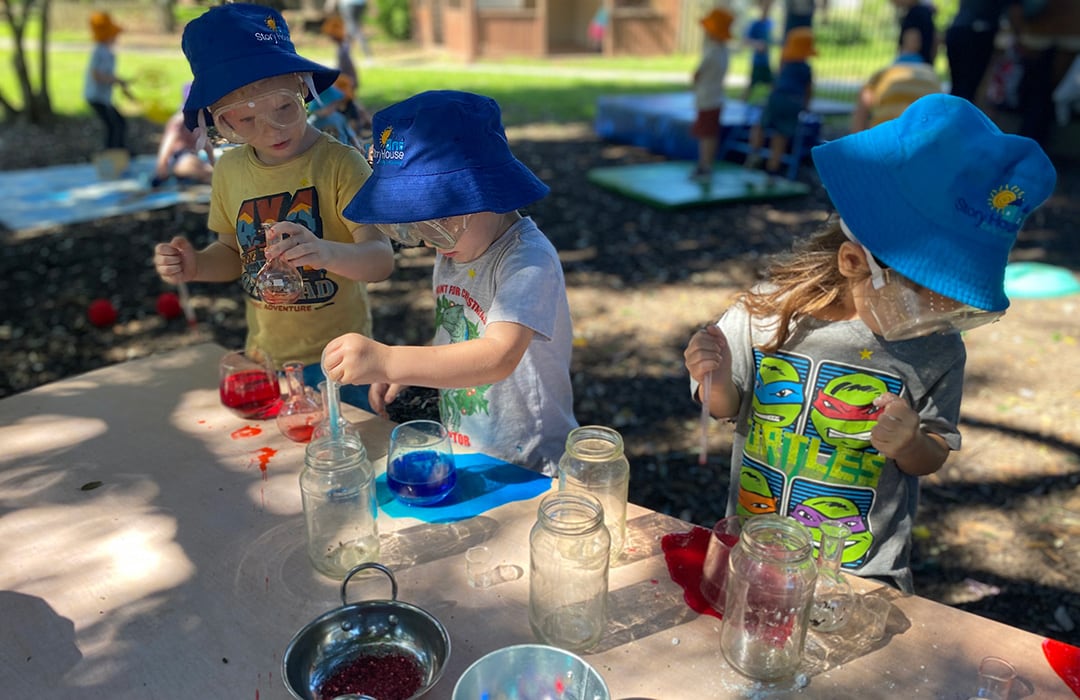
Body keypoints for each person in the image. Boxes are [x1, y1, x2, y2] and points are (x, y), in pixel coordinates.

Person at [683, 93, 1056, 592]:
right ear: (853, 263)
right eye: (925, 296)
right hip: (759, 552)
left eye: (956, 303)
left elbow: (932, 454)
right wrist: (712, 374)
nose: (940, 316)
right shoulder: (770, 312)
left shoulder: (940, 348)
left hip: (863, 574)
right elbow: (726, 404)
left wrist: (910, 442)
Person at [321, 90, 578, 475]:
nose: (427, 240)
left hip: (529, 461)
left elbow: (497, 355)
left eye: (438, 223)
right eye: (410, 228)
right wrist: (409, 372)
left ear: (489, 192)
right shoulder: (457, 245)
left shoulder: (528, 261)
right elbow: (463, 335)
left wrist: (389, 361)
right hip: (471, 444)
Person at [152, 3, 394, 409]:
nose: (272, 129)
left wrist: (325, 251)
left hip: (342, 363)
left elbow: (380, 261)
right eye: (245, 121)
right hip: (266, 359)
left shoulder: (339, 163)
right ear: (220, 123)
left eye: (284, 106)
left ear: (303, 87)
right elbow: (232, 253)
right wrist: (195, 266)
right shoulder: (229, 171)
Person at [744, 26, 816, 177]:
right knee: (781, 135)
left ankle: (755, 151)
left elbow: (777, 82)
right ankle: (773, 168)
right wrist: (806, 105)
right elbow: (808, 90)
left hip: (777, 97)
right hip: (794, 101)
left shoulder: (785, 63)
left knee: (760, 125)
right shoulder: (806, 68)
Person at [850, 35, 943, 132]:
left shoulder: (883, 73)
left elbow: (862, 109)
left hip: (886, 134)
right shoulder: (932, 75)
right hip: (924, 136)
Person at [945, 0, 1024, 103]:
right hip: (977, 34)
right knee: (967, 90)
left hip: (958, 29)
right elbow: (1015, 10)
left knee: (959, 89)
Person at [690, 7, 734, 182]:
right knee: (710, 134)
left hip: (707, 99)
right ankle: (706, 164)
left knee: (706, 134)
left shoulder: (712, 52)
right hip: (716, 98)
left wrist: (694, 83)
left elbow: (697, 74)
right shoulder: (724, 51)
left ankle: (705, 166)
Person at [84, 11, 134, 154]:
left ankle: (117, 151)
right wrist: (117, 80)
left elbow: (109, 76)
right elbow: (97, 75)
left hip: (103, 97)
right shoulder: (99, 52)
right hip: (96, 96)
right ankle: (113, 153)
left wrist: (124, 88)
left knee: (118, 124)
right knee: (115, 125)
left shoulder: (108, 52)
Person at [151, 83, 214, 188]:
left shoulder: (198, 121)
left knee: (207, 170)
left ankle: (207, 178)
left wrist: (213, 163)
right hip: (178, 159)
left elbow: (206, 144)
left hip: (191, 157)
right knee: (193, 165)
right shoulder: (178, 122)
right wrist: (161, 168)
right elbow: (167, 145)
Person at [742, 0, 775, 104]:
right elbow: (746, 40)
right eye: (765, 6)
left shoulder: (770, 23)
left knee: (772, 84)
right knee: (752, 85)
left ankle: (772, 103)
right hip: (757, 61)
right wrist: (757, 44)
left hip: (766, 60)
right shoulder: (755, 24)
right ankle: (741, 103)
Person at [891, 0, 938, 66]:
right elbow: (935, 42)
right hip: (925, 65)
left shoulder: (914, 15)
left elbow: (912, 44)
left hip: (912, 68)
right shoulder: (925, 12)